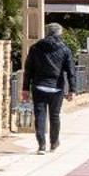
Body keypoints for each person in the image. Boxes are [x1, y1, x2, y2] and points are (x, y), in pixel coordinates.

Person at [23, 22, 77, 154]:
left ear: (47, 32)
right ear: (59, 33)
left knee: (40, 116)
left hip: (39, 86)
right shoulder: (65, 49)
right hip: (56, 88)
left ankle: (41, 145)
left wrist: (25, 88)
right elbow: (71, 71)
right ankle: (54, 143)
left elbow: (28, 69)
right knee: (54, 116)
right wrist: (72, 90)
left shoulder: (35, 48)